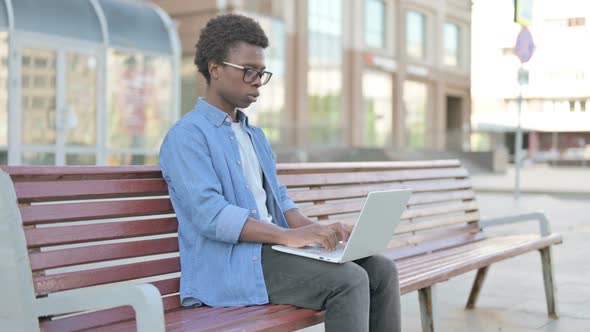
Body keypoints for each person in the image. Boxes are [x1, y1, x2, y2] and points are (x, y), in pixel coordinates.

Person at [159, 14, 401, 332]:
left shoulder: (254, 135)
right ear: (215, 69)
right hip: (233, 267)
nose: (258, 81)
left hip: (273, 254)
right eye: (248, 72)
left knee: (381, 269)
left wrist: (321, 233)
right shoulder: (187, 136)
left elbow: (280, 202)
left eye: (261, 73)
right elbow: (211, 216)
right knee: (349, 281)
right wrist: (288, 236)